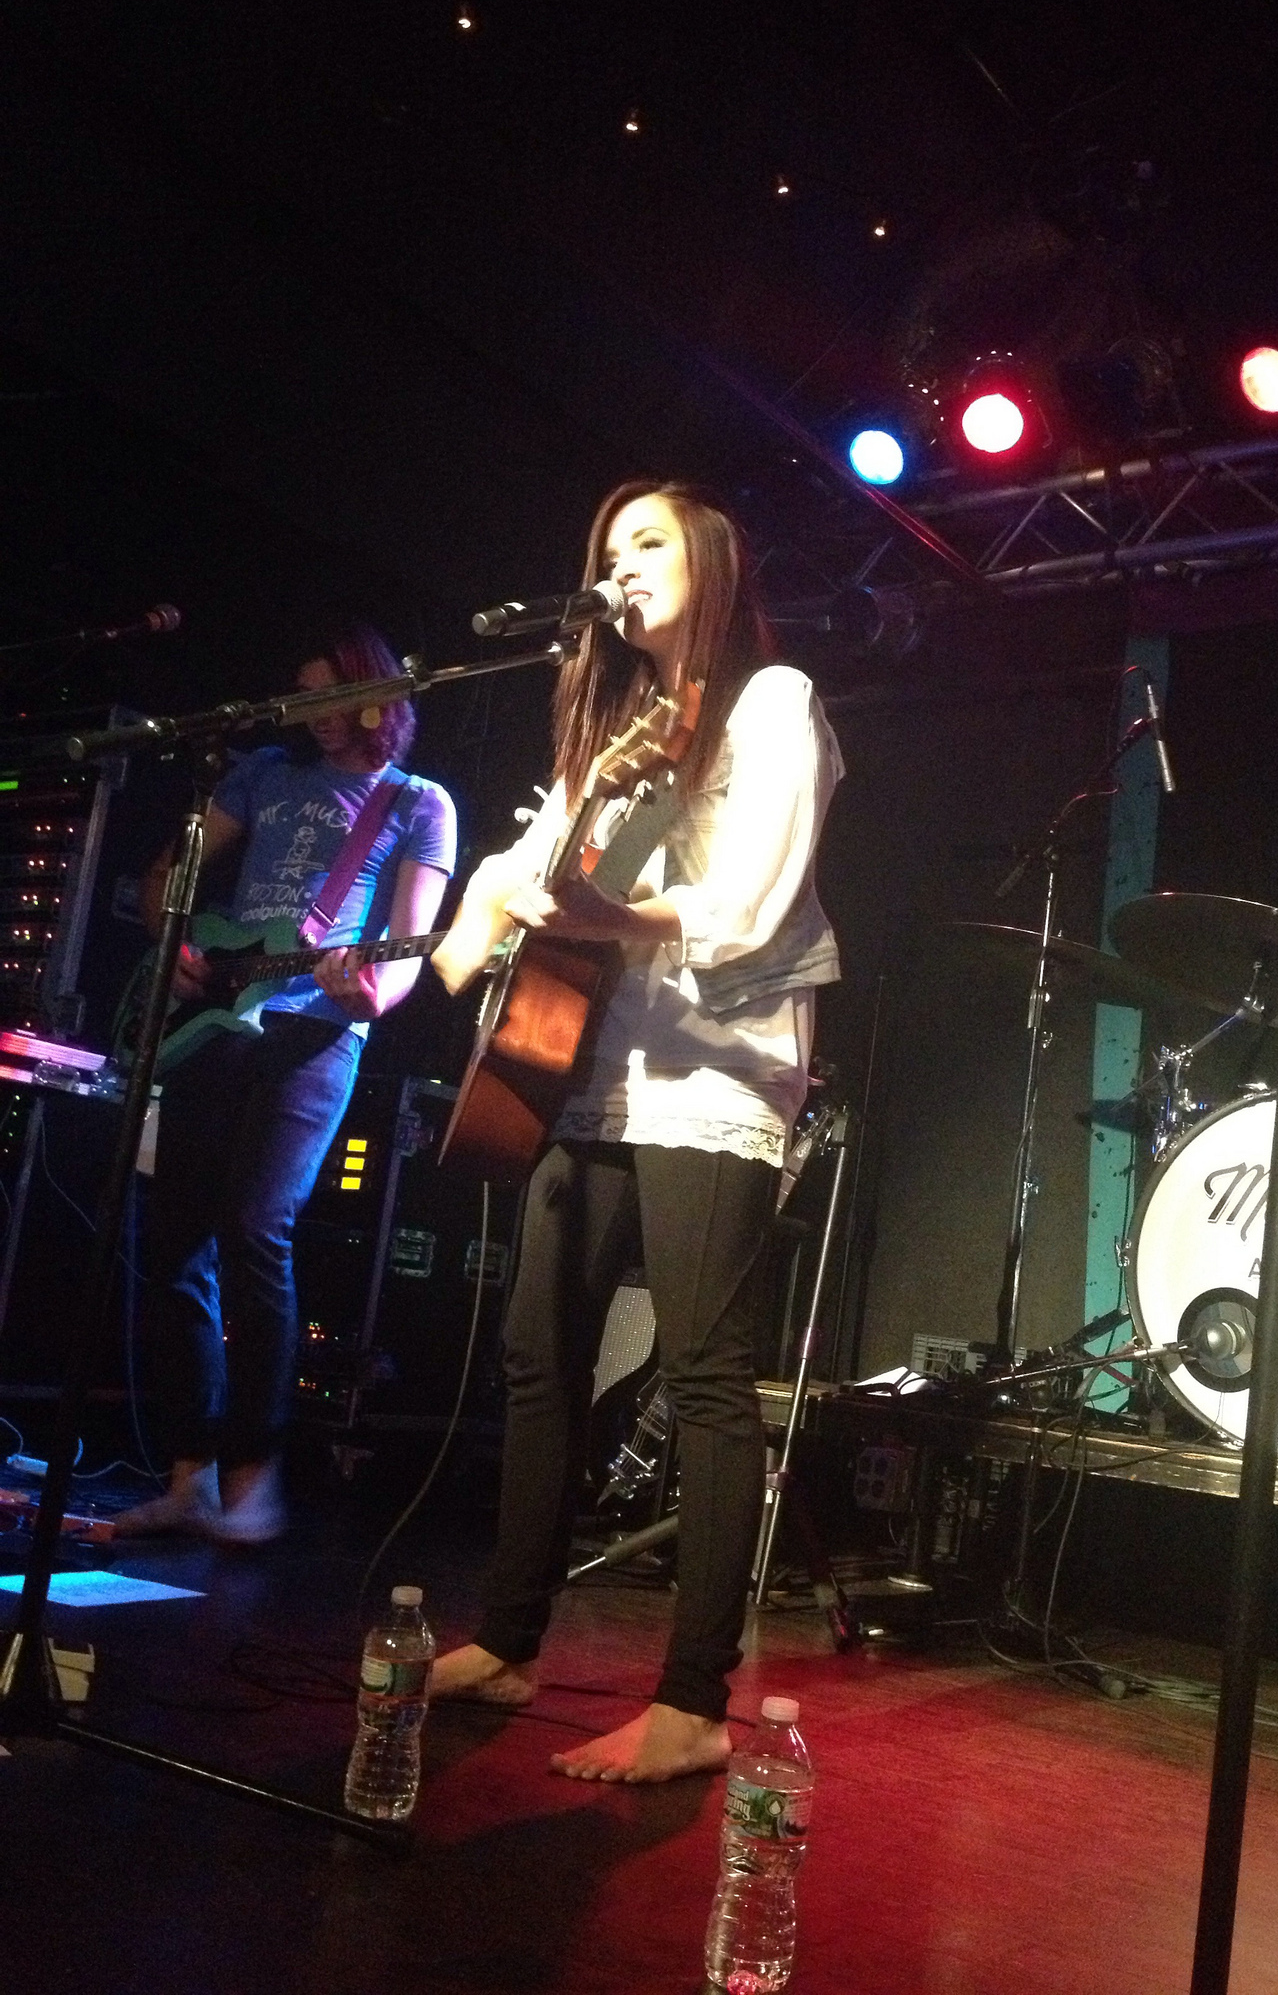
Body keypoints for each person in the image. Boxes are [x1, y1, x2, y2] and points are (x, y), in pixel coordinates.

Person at [428, 480, 843, 1783]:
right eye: (609, 551)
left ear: (711, 558)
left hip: (715, 1067)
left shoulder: (769, 702)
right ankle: (509, 1638)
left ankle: (695, 1701)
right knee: (537, 1348)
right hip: (592, 1065)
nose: (624, 567)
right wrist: (481, 915)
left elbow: (750, 902)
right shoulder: (614, 738)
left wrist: (603, 916)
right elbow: (515, 901)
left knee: (706, 1369)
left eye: (649, 543)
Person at [118, 627, 457, 1543]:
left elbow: (409, 948)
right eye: (299, 699)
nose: (307, 716)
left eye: (323, 698)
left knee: (255, 1230)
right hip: (217, 1020)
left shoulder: (417, 802)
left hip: (317, 1029)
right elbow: (166, 879)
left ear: (373, 698)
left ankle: (252, 1478)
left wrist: (370, 991)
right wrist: (171, 940)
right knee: (175, 1242)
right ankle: (188, 1478)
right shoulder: (262, 773)